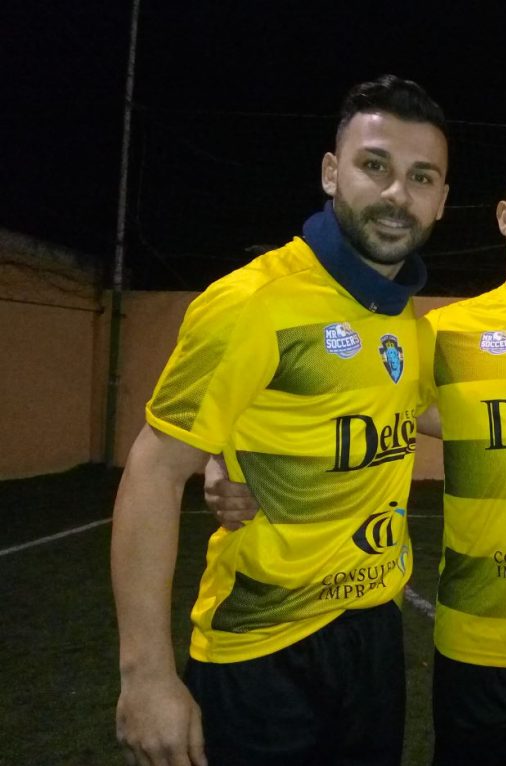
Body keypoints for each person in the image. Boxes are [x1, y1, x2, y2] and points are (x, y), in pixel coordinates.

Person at [208, 132, 506, 766]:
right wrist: (219, 458)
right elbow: (332, 401)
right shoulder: (440, 334)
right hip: (475, 640)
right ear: (504, 216)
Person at [110, 74, 449, 766]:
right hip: (262, 649)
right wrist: (145, 676)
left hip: (373, 638)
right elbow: (153, 466)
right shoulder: (252, 302)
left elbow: (428, 414)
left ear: (441, 200)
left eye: (421, 177)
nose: (397, 193)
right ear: (331, 172)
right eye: (375, 165)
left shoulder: (404, 321)